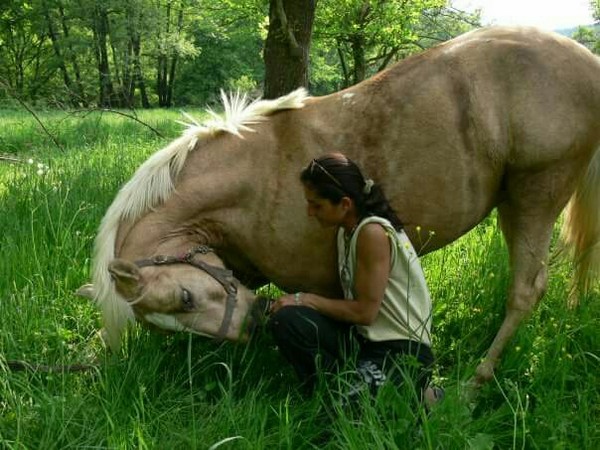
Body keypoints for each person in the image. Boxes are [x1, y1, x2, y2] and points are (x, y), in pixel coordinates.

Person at [269, 152, 440, 406]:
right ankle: (336, 392)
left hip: (401, 350)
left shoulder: (372, 233)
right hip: (364, 340)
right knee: (286, 321)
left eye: (317, 205)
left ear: (345, 204)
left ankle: (421, 396)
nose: (309, 212)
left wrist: (304, 299)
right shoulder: (345, 232)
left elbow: (364, 313)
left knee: (351, 407)